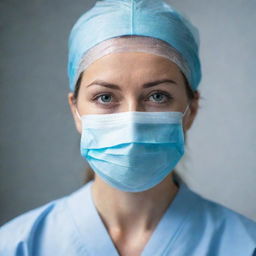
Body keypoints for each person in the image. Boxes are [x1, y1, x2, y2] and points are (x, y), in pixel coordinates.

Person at [0, 0, 256, 255]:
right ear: (76, 111)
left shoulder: (245, 245)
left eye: (157, 96)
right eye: (105, 97)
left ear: (191, 110)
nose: (132, 124)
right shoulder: (17, 246)